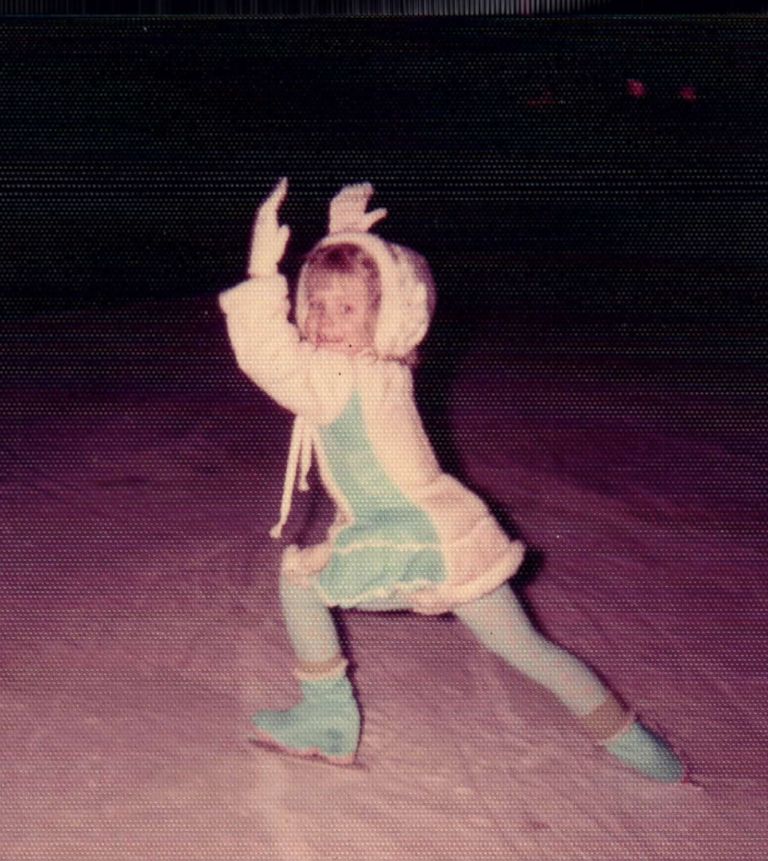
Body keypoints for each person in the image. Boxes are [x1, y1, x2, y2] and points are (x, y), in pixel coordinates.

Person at [218, 179, 685, 783]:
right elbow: (353, 335)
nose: (325, 321)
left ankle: (328, 720)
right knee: (526, 649)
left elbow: (269, 357)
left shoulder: (336, 377)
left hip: (408, 533)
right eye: (316, 304)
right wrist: (350, 242)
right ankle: (646, 752)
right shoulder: (381, 368)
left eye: (348, 308)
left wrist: (261, 276)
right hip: (450, 531)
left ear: (382, 315)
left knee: (301, 582)